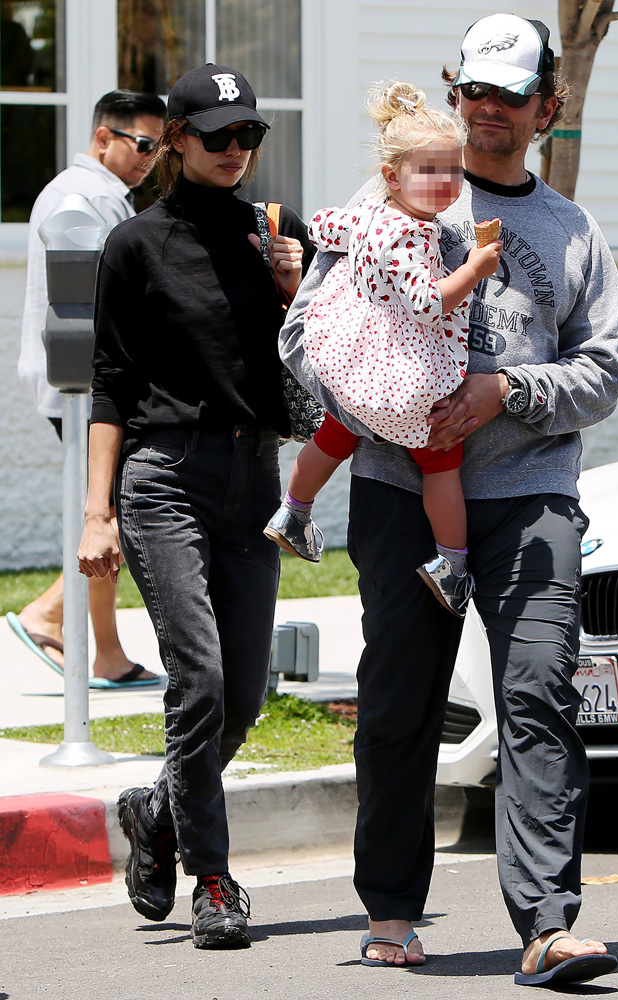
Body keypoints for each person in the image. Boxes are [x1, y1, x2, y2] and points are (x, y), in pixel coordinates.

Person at [280, 13, 618, 988]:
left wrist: (502, 390)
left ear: (544, 110)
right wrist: (389, 400)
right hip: (400, 493)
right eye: (471, 89)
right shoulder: (394, 193)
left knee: (537, 694)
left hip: (528, 497)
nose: (484, 110)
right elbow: (309, 335)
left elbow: (601, 375)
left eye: (508, 96)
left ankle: (548, 924)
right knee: (398, 703)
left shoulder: (570, 231)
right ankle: (391, 908)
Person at [76, 63, 312, 950]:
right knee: (200, 679)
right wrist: (98, 512)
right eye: (216, 135)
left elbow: (323, 356)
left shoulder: (279, 235)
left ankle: (156, 808)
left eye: (248, 135)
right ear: (173, 139)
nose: (235, 150)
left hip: (254, 482)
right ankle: (213, 879)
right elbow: (108, 386)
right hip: (163, 477)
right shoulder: (134, 245)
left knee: (244, 696)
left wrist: (299, 286)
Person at [265, 81, 502, 616]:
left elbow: (326, 226)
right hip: (402, 375)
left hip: (355, 363)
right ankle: (452, 564)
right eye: (431, 171)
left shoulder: (370, 214)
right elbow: (426, 300)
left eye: (455, 170)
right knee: (441, 461)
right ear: (393, 176)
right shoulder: (410, 233)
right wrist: (475, 267)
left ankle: (294, 512)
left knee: (339, 427)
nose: (447, 184)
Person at [10, 89, 166, 688]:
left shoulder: (94, 194)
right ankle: (50, 615)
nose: (151, 159)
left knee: (111, 512)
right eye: (143, 145)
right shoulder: (86, 198)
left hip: (80, 383)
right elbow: (110, 301)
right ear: (105, 138)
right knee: (110, 513)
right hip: (83, 387)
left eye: (158, 147)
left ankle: (104, 652)